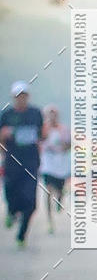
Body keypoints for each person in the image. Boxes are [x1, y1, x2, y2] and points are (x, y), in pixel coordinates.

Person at [0, 81, 43, 247]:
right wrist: (4, 136)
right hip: (11, 162)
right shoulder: (6, 115)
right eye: (18, 96)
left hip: (31, 162)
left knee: (31, 202)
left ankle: (21, 235)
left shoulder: (35, 113)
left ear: (28, 97)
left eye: (24, 96)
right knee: (11, 192)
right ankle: (11, 212)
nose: (21, 99)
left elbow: (42, 134)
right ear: (13, 97)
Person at [40, 105, 70, 233]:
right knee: (48, 190)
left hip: (61, 163)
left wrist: (64, 146)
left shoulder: (63, 129)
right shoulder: (43, 129)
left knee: (59, 189)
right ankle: (49, 220)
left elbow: (69, 144)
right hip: (48, 163)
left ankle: (59, 199)